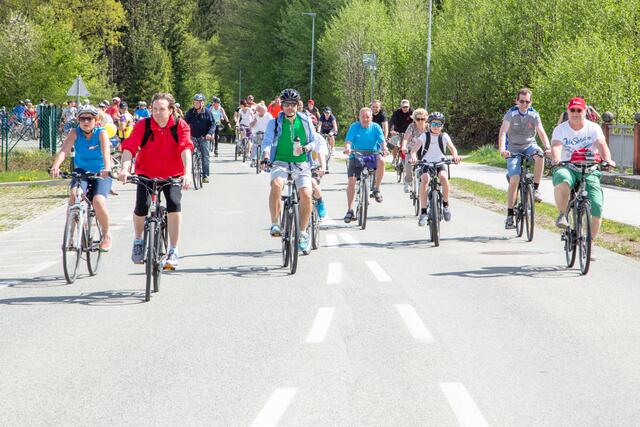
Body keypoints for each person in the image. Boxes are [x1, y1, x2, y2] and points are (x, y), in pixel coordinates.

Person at [118, 92, 194, 270]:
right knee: (141, 207)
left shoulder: (179, 125)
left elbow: (186, 148)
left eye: (162, 109)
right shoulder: (143, 125)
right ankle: (138, 239)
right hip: (146, 172)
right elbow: (129, 148)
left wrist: (188, 173)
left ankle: (173, 249)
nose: (157, 113)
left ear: (171, 110)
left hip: (172, 173)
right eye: (154, 109)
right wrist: (124, 169)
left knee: (174, 204)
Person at [551, 97, 615, 260]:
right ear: (568, 111)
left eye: (579, 110)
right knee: (563, 181)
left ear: (585, 111)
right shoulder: (561, 129)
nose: (575, 113)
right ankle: (562, 214)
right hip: (568, 167)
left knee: (597, 206)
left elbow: (601, 144)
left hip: (589, 169)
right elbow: (557, 145)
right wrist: (557, 159)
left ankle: (589, 243)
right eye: (572, 110)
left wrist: (607, 159)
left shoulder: (593, 128)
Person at [50, 105, 113, 251]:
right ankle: (70, 236)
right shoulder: (75, 132)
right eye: (82, 119)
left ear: (96, 120)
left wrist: (107, 169)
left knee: (98, 201)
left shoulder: (101, 133)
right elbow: (64, 151)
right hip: (81, 171)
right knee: (73, 195)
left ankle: (106, 234)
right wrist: (56, 166)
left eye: (89, 118)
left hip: (100, 171)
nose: (86, 122)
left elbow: (106, 153)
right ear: (78, 120)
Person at [262, 88, 317, 254]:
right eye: (286, 104)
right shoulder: (275, 122)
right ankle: (275, 223)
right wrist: (265, 156)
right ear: (282, 106)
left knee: (306, 195)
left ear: (298, 106)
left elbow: (314, 141)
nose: (289, 108)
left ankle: (302, 233)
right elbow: (267, 142)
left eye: (293, 105)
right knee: (277, 185)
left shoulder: (306, 121)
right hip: (280, 161)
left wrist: (306, 148)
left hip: (301, 164)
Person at [498, 88, 551, 229]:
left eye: (527, 101)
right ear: (517, 101)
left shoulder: (534, 114)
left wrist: (547, 147)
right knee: (514, 179)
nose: (524, 104)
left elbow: (541, 131)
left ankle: (535, 188)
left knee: (540, 156)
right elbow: (503, 132)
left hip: (529, 145)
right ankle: (510, 215)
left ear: (530, 102)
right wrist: (502, 149)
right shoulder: (511, 113)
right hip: (513, 148)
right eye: (521, 101)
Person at [409, 111, 461, 226]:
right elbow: (414, 150)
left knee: (444, 178)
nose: (436, 127)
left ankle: (446, 205)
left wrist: (455, 156)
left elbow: (452, 148)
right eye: (433, 124)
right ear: (430, 125)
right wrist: (413, 157)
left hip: (440, 163)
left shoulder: (444, 136)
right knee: (425, 179)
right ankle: (423, 212)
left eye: (439, 124)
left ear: (442, 126)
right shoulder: (424, 136)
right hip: (426, 164)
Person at [343, 107, 388, 223]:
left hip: (371, 155)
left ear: (371, 118)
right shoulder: (354, 126)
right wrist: (348, 148)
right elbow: (348, 141)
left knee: (382, 161)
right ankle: (350, 210)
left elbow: (382, 141)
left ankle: (376, 188)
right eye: (363, 117)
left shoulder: (376, 127)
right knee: (352, 181)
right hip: (356, 155)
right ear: (359, 117)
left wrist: (384, 149)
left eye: (367, 117)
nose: (365, 119)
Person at [185, 93, 215, 183]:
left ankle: (205, 175)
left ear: (202, 103)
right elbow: (185, 123)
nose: (196, 103)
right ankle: (187, 174)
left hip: (204, 137)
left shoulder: (207, 112)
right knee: (187, 155)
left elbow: (213, 124)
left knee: (205, 156)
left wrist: (209, 133)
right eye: (195, 102)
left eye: (198, 102)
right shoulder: (190, 112)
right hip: (193, 137)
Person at [399, 108, 429, 193]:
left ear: (425, 119)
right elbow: (406, 138)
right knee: (409, 164)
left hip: (425, 151)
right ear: (414, 119)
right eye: (418, 119)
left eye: (422, 119)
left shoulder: (429, 127)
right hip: (412, 150)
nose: (420, 121)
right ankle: (408, 182)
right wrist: (404, 147)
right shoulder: (412, 126)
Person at [250, 103, 273, 167]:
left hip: (266, 133)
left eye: (261, 110)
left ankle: (266, 160)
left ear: (264, 110)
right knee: (255, 145)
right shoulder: (256, 115)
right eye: (258, 110)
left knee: (266, 146)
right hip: (257, 133)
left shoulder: (268, 115)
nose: (259, 112)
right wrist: (254, 121)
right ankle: (253, 159)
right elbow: (251, 125)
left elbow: (272, 124)